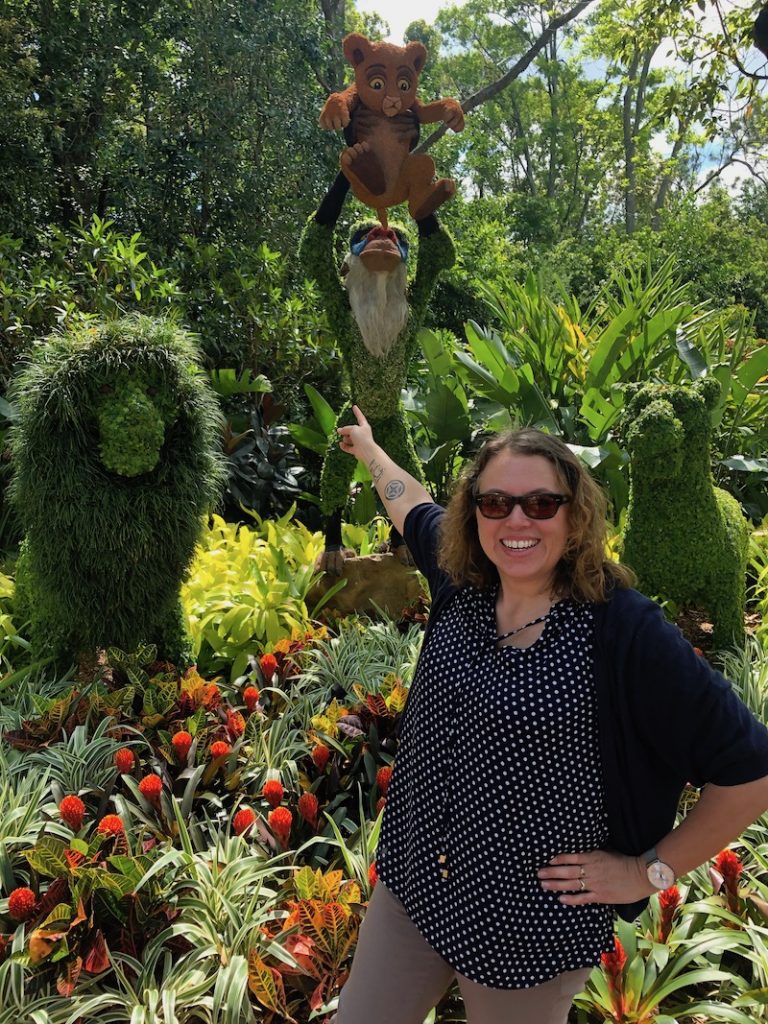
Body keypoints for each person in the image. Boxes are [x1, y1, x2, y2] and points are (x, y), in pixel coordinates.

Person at [331, 405, 768, 1024]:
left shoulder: (623, 631)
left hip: (529, 923)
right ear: (474, 513)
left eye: (541, 504)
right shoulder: (464, 582)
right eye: (495, 503)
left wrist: (649, 872)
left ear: (575, 515)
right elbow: (408, 500)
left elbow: (750, 770)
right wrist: (370, 450)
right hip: (415, 883)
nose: (516, 520)